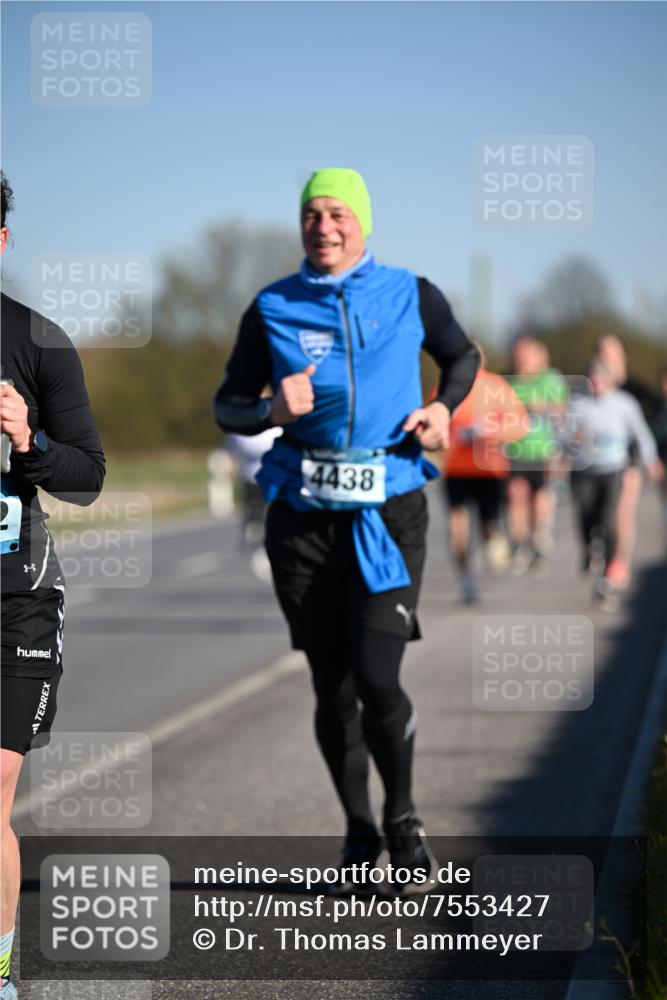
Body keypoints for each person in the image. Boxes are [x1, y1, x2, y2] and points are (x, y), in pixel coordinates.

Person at [213, 168, 479, 892]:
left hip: (388, 509)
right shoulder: (272, 305)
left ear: (363, 223)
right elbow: (228, 404)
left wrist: (442, 409)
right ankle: (358, 832)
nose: (323, 226)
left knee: (376, 676)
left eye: (337, 214)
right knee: (330, 687)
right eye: (311, 215)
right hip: (301, 518)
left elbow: (463, 356)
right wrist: (271, 409)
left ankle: (403, 820)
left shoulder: (410, 292)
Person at [0, 173, 105, 1000]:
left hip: (16, 602)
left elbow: (87, 477)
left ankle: (0, 974)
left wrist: (28, 437)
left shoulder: (38, 342)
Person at [566, 360, 661, 609]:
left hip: (612, 470)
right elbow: (561, 436)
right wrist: (570, 441)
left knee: (609, 522)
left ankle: (607, 579)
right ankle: (589, 549)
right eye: (592, 378)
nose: (596, 383)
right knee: (585, 517)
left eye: (600, 379)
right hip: (584, 470)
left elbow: (640, 434)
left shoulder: (624, 403)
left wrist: (651, 461)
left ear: (608, 380)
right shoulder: (577, 403)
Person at [439, 344, 527, 603]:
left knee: (488, 527)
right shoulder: (446, 387)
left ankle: (496, 543)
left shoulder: (496, 386)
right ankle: (465, 578)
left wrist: (488, 432)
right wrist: (456, 436)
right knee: (457, 526)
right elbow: (434, 425)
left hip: (490, 469)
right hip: (456, 469)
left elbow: (519, 425)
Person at [595, 334, 663, 587]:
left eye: (612, 352)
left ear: (622, 356)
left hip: (628, 461)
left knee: (622, 514)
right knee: (602, 515)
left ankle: (619, 562)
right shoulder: (593, 385)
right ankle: (605, 554)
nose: (607, 357)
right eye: (602, 352)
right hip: (598, 463)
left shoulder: (635, 388)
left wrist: (651, 452)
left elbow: (656, 411)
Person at [505, 334, 568, 574]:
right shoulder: (512, 382)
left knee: (540, 496)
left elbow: (560, 410)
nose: (521, 360)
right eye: (518, 355)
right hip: (516, 448)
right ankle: (520, 544)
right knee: (516, 494)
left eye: (526, 354)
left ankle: (539, 538)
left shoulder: (550, 379)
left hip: (543, 448)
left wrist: (533, 405)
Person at [223, 427, 282, 580]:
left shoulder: (275, 429)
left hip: (270, 480)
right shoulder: (240, 431)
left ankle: (265, 539)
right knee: (252, 512)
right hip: (249, 479)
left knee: (269, 513)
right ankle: (253, 534)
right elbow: (231, 452)